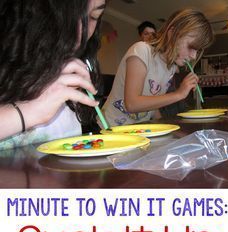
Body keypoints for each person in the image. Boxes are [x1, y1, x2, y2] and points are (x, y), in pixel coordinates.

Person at [0, 0, 106, 148]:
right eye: (69, 15)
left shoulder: (68, 75)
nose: (82, 32)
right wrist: (28, 111)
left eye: (94, 16)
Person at [101, 9, 213, 127]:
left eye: (197, 50)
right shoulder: (142, 50)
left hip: (138, 131)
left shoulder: (170, 67)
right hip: (111, 129)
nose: (193, 56)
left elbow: (151, 104)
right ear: (172, 33)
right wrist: (179, 93)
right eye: (191, 47)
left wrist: (165, 126)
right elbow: (132, 104)